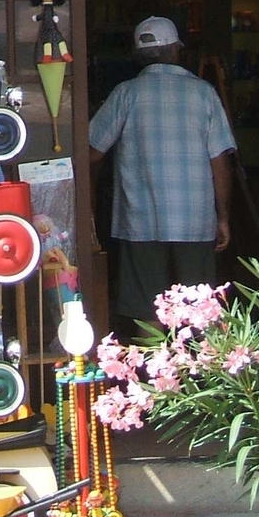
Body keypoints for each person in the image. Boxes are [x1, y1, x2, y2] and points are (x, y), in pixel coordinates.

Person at [87, 17, 237, 332]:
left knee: (147, 310)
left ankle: (155, 376)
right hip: (195, 221)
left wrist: (87, 207)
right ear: (175, 50)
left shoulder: (125, 94)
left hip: (140, 221)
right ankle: (199, 373)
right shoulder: (203, 93)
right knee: (199, 309)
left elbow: (92, 152)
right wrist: (222, 216)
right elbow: (220, 160)